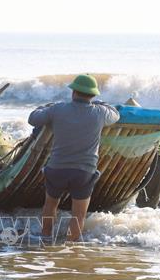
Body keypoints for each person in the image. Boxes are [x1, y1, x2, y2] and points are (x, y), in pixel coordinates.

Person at [28, 74, 120, 242]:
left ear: (73, 92)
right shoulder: (99, 112)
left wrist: (46, 106)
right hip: (84, 172)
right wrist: (102, 104)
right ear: (93, 95)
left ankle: (46, 237)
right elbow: (115, 114)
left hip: (57, 169)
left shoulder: (58, 109)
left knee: (50, 206)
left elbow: (33, 118)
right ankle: (71, 246)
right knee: (78, 214)